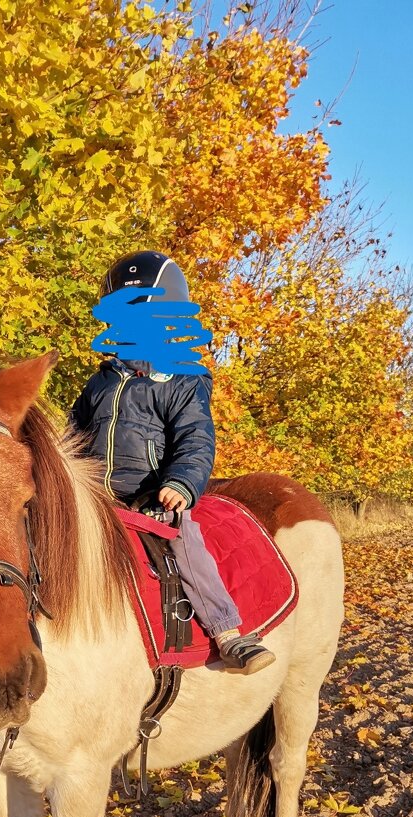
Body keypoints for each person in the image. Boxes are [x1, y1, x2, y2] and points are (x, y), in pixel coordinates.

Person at [69, 250, 276, 674]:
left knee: (183, 544)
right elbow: (73, 433)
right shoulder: (100, 382)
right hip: (95, 496)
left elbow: (195, 438)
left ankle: (227, 632)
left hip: (152, 495)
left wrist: (181, 482)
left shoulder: (182, 380)